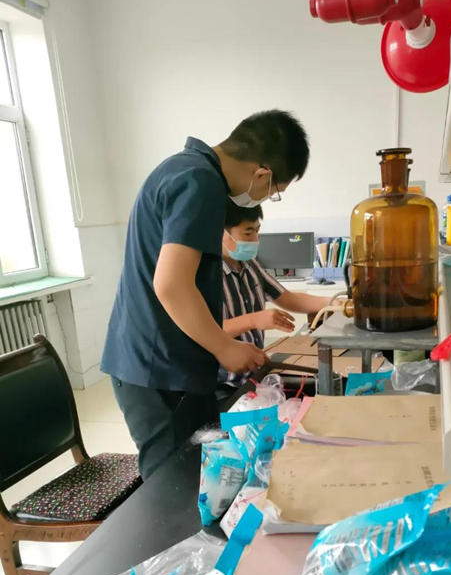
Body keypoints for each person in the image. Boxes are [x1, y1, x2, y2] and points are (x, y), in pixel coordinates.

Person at [101, 110, 310, 480]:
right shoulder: (200, 182)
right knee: (171, 482)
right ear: (262, 175)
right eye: (274, 192)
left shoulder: (183, 169)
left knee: (199, 472)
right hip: (158, 369)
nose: (266, 197)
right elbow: (171, 285)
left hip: (162, 362)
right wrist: (224, 346)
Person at [217, 200, 331, 402]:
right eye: (248, 233)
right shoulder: (206, 274)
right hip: (223, 384)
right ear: (221, 232)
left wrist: (334, 303)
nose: (255, 240)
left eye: (257, 231)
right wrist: (253, 320)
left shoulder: (250, 264)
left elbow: (289, 298)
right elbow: (204, 332)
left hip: (254, 376)